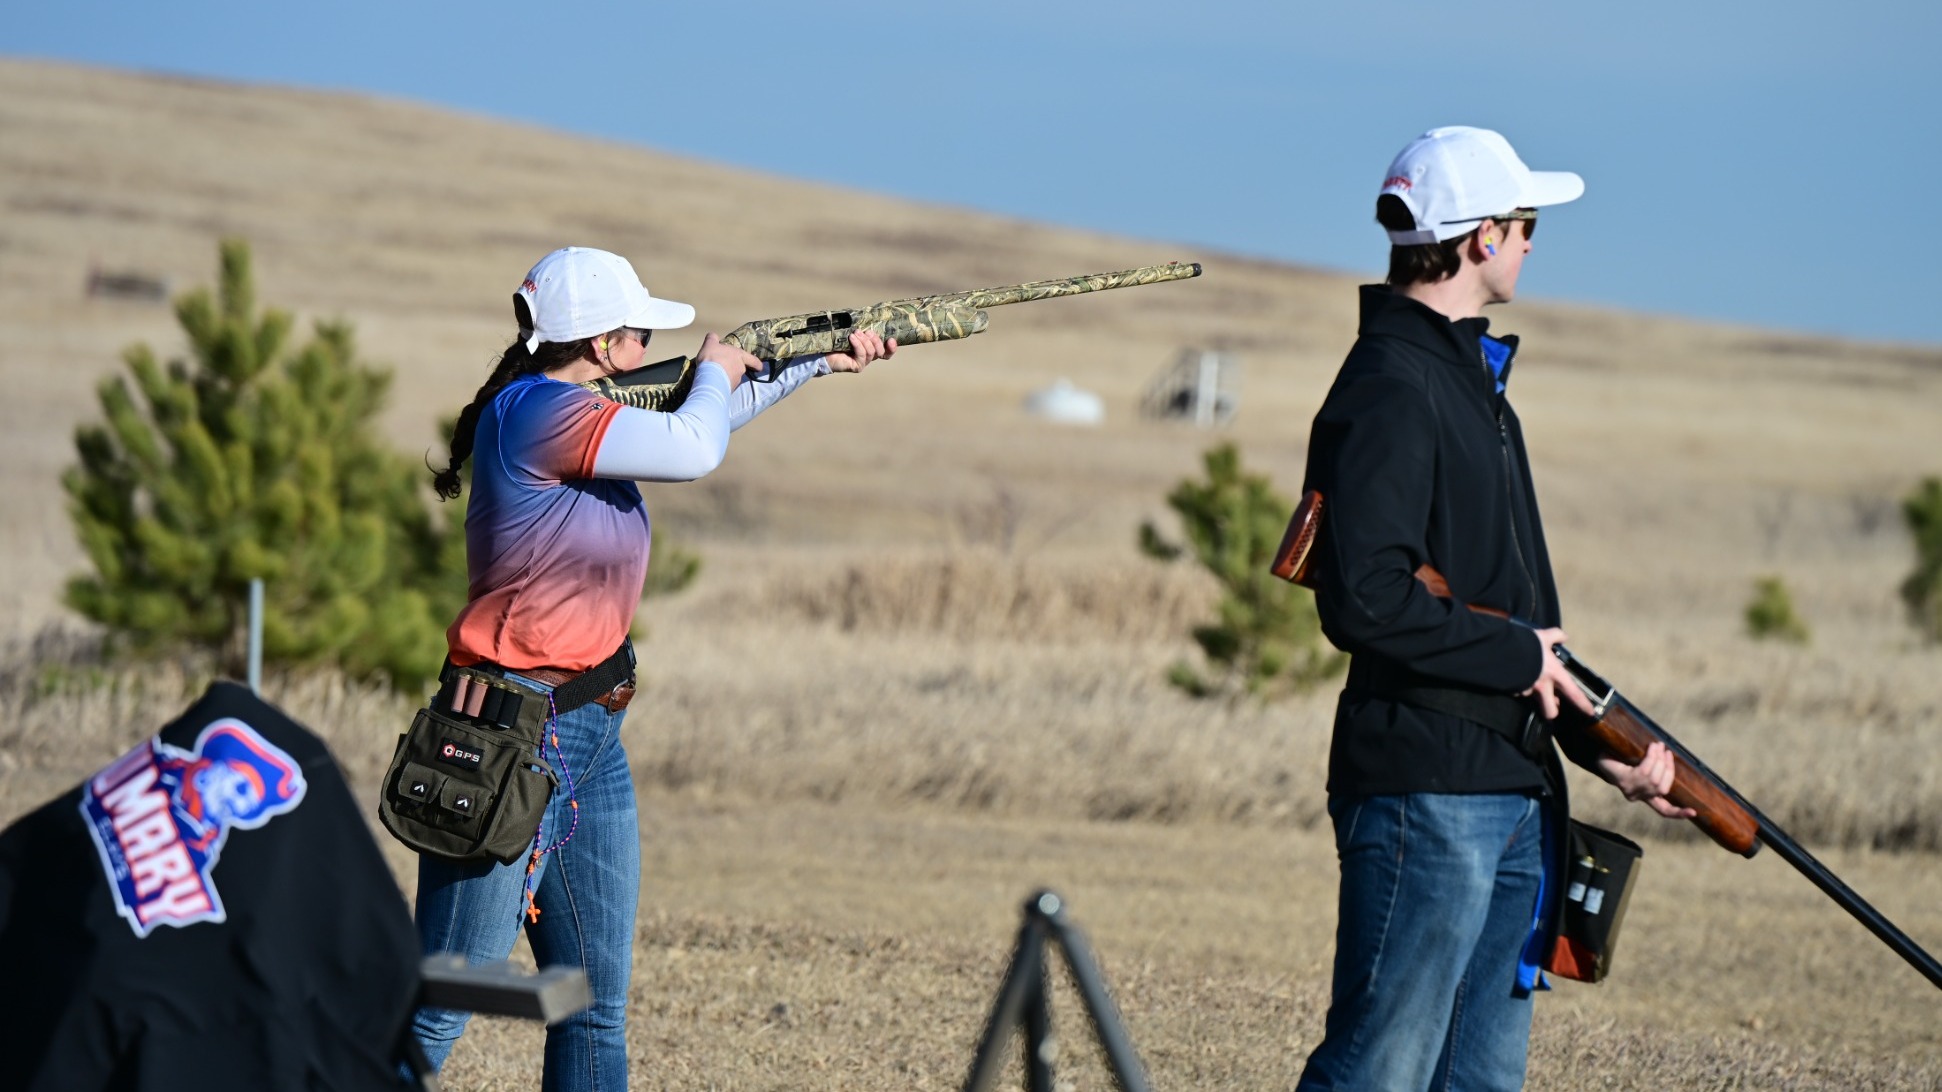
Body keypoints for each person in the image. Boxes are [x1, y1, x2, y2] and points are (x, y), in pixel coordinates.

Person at [407, 245, 894, 1089]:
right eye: (637, 334)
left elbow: (706, 422)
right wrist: (712, 365)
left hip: (587, 734)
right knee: (445, 1001)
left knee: (590, 1006)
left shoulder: (577, 412)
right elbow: (695, 445)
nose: (645, 348)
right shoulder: (539, 414)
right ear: (602, 345)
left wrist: (815, 358)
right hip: (507, 734)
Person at [1294, 127, 1692, 1090]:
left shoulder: (1473, 385)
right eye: (1524, 225)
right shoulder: (1392, 385)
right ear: (1480, 239)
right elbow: (1368, 602)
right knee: (1377, 1071)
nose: (1529, 244)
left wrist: (1613, 757)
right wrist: (1519, 657)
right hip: (1428, 790)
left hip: (1509, 790)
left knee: (1479, 1082)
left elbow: (1522, 633)